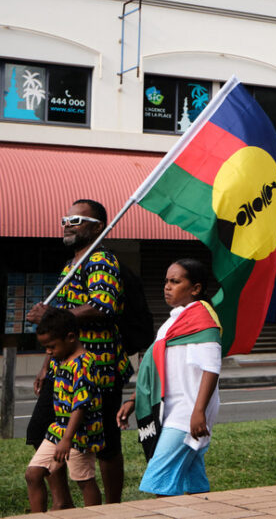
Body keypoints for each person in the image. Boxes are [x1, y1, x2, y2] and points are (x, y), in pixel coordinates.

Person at [25, 199, 131, 504]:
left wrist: (49, 315)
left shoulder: (101, 260)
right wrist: (46, 364)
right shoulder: (69, 266)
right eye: (65, 219)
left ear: (98, 228)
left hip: (98, 369)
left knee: (105, 444)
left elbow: (102, 305)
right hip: (63, 370)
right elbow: (59, 326)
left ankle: (111, 508)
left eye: (76, 220)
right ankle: (63, 502)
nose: (68, 225)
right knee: (40, 431)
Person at [117, 259, 222, 496]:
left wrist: (199, 412)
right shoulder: (174, 321)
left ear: (195, 288)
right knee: (192, 483)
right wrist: (134, 399)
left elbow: (212, 368)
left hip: (187, 413)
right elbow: (160, 368)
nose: (167, 287)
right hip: (172, 408)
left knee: (159, 482)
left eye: (175, 281)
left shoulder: (202, 320)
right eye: (166, 281)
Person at [25, 308, 103, 512]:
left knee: (84, 479)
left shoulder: (84, 364)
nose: (48, 352)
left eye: (51, 346)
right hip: (58, 428)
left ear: (70, 337)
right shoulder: (60, 360)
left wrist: (67, 439)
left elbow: (81, 404)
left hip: (79, 434)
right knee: (33, 473)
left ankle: (95, 515)